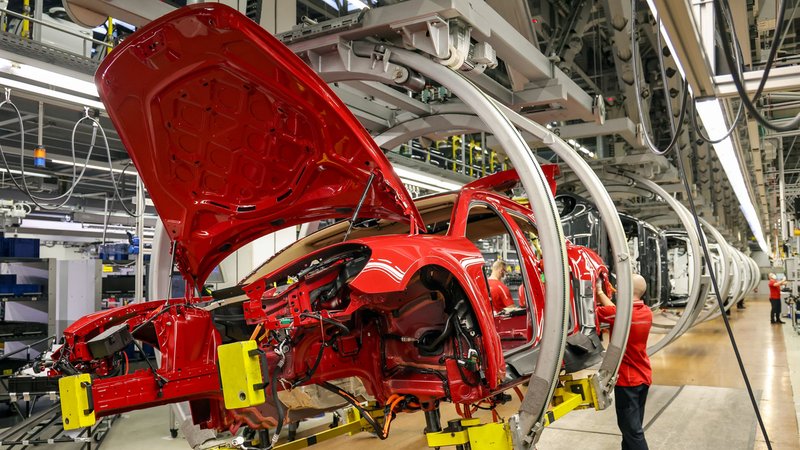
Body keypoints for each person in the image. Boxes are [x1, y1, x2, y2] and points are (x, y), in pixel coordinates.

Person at [595, 273, 652, 450]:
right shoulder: (646, 312)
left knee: (633, 432)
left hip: (628, 382)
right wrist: (600, 292)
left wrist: (594, 292)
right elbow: (615, 310)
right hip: (643, 376)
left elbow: (593, 313)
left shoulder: (620, 315)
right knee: (632, 430)